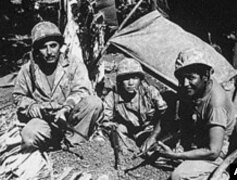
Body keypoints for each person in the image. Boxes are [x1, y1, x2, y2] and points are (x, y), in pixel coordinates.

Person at [13, 21, 103, 149]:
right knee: (29, 136)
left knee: (94, 102)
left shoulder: (73, 64)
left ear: (60, 46)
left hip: (69, 117)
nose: (49, 52)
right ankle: (51, 142)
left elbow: (82, 90)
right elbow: (18, 96)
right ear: (37, 50)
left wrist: (66, 108)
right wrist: (31, 106)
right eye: (44, 47)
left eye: (53, 45)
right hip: (44, 120)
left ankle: (72, 142)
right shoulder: (27, 70)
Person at [154, 48, 236, 180]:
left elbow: (213, 151)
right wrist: (153, 137)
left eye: (191, 77)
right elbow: (171, 110)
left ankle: (224, 175)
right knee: (156, 153)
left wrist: (177, 156)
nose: (185, 83)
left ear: (206, 76)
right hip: (196, 136)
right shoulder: (192, 88)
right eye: (182, 78)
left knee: (178, 176)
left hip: (216, 150)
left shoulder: (216, 104)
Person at [102, 57, 168, 152]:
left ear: (140, 79)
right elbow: (105, 120)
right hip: (128, 130)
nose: (130, 83)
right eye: (126, 79)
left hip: (150, 129)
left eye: (134, 78)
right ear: (120, 81)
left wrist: (153, 134)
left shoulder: (150, 92)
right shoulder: (113, 95)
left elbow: (165, 114)